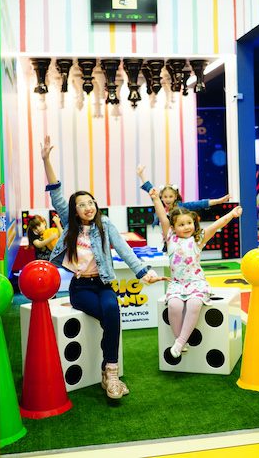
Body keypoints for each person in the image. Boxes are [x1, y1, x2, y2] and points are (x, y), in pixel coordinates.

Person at [40, 135, 158, 400]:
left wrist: (143, 272)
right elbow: (56, 191)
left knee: (112, 309)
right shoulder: (70, 224)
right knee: (110, 316)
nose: (88, 207)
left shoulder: (105, 225)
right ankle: (110, 372)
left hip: (103, 284)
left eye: (90, 202)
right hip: (80, 288)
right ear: (74, 210)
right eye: (81, 204)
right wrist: (46, 159)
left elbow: (125, 250)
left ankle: (110, 372)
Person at [146, 188, 242, 357]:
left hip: (196, 283)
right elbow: (162, 216)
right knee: (174, 306)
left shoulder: (198, 238)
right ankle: (180, 341)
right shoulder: (170, 238)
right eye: (181, 225)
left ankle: (180, 341)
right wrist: (155, 199)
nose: (186, 227)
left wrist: (232, 214)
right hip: (177, 284)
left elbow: (216, 225)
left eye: (189, 223)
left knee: (194, 304)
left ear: (194, 223)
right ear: (173, 227)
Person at [136, 164, 231, 226]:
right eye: (165, 197)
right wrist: (141, 174)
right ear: (161, 197)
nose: (168, 199)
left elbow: (200, 204)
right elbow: (150, 189)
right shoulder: (159, 205)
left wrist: (219, 201)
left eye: (170, 197)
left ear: (175, 197)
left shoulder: (182, 207)